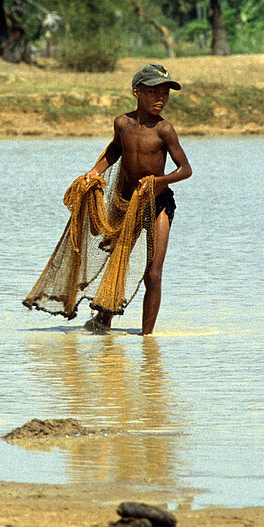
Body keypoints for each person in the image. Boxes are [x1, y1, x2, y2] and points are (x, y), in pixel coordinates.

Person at [83, 63, 192, 335]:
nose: (161, 99)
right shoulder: (122, 124)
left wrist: (158, 181)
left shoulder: (164, 130)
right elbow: (114, 151)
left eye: (165, 93)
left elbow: (185, 169)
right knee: (116, 264)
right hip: (127, 204)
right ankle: (102, 322)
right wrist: (95, 172)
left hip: (158, 205)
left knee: (153, 273)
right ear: (137, 92)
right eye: (154, 92)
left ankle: (147, 341)